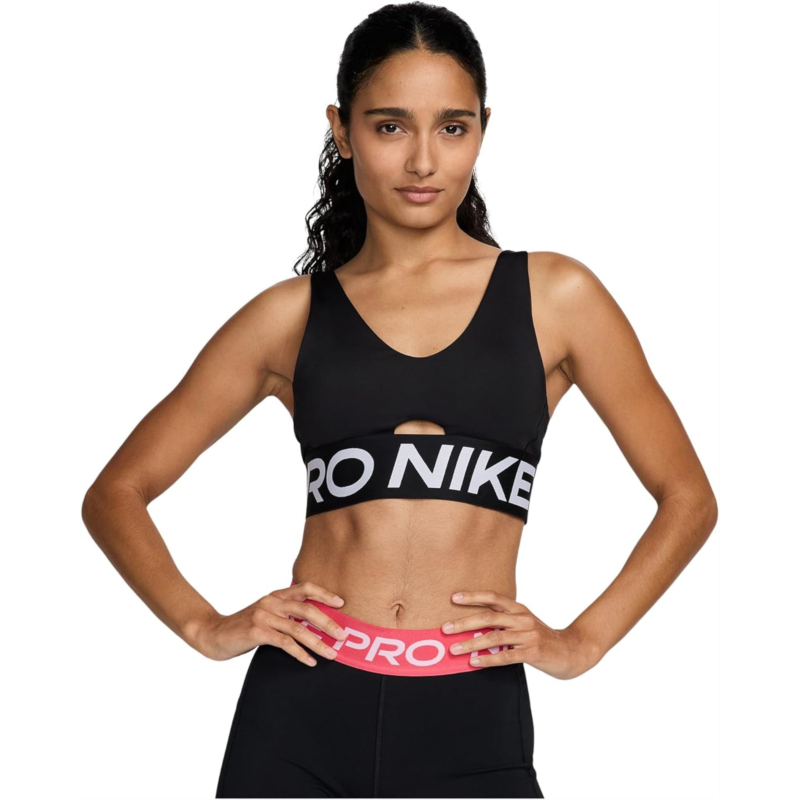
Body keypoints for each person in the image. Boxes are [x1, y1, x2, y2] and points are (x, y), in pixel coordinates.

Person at [81, 2, 719, 798]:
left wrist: (581, 643)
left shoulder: (556, 297)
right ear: (342, 131)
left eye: (452, 128)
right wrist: (204, 625)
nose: (423, 160)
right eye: (390, 127)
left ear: (483, 130)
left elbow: (687, 497)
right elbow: (116, 492)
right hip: (300, 711)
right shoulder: (289, 316)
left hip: (472, 712)